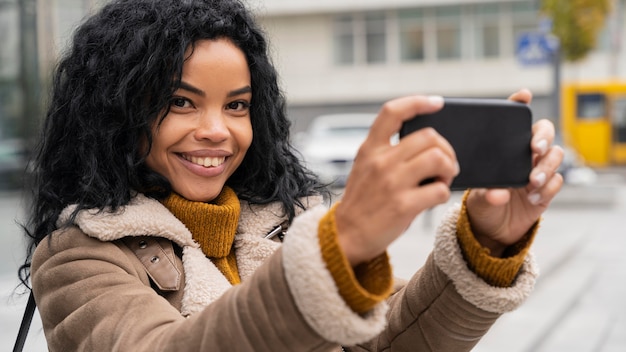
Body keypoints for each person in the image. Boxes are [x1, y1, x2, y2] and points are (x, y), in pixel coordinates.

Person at [19, 0, 564, 350]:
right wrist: (339, 244)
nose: (218, 131)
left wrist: (491, 237)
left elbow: (397, 339)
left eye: (237, 106)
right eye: (181, 102)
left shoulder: (290, 221)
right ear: (116, 114)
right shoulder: (78, 255)